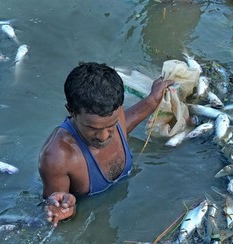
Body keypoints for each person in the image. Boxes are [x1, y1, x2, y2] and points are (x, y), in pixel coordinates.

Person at [39, 62, 172, 227]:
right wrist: (68, 210)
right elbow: (57, 215)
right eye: (91, 128)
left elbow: (125, 125)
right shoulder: (58, 158)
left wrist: (153, 100)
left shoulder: (115, 112)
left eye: (111, 125)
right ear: (71, 111)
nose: (103, 137)